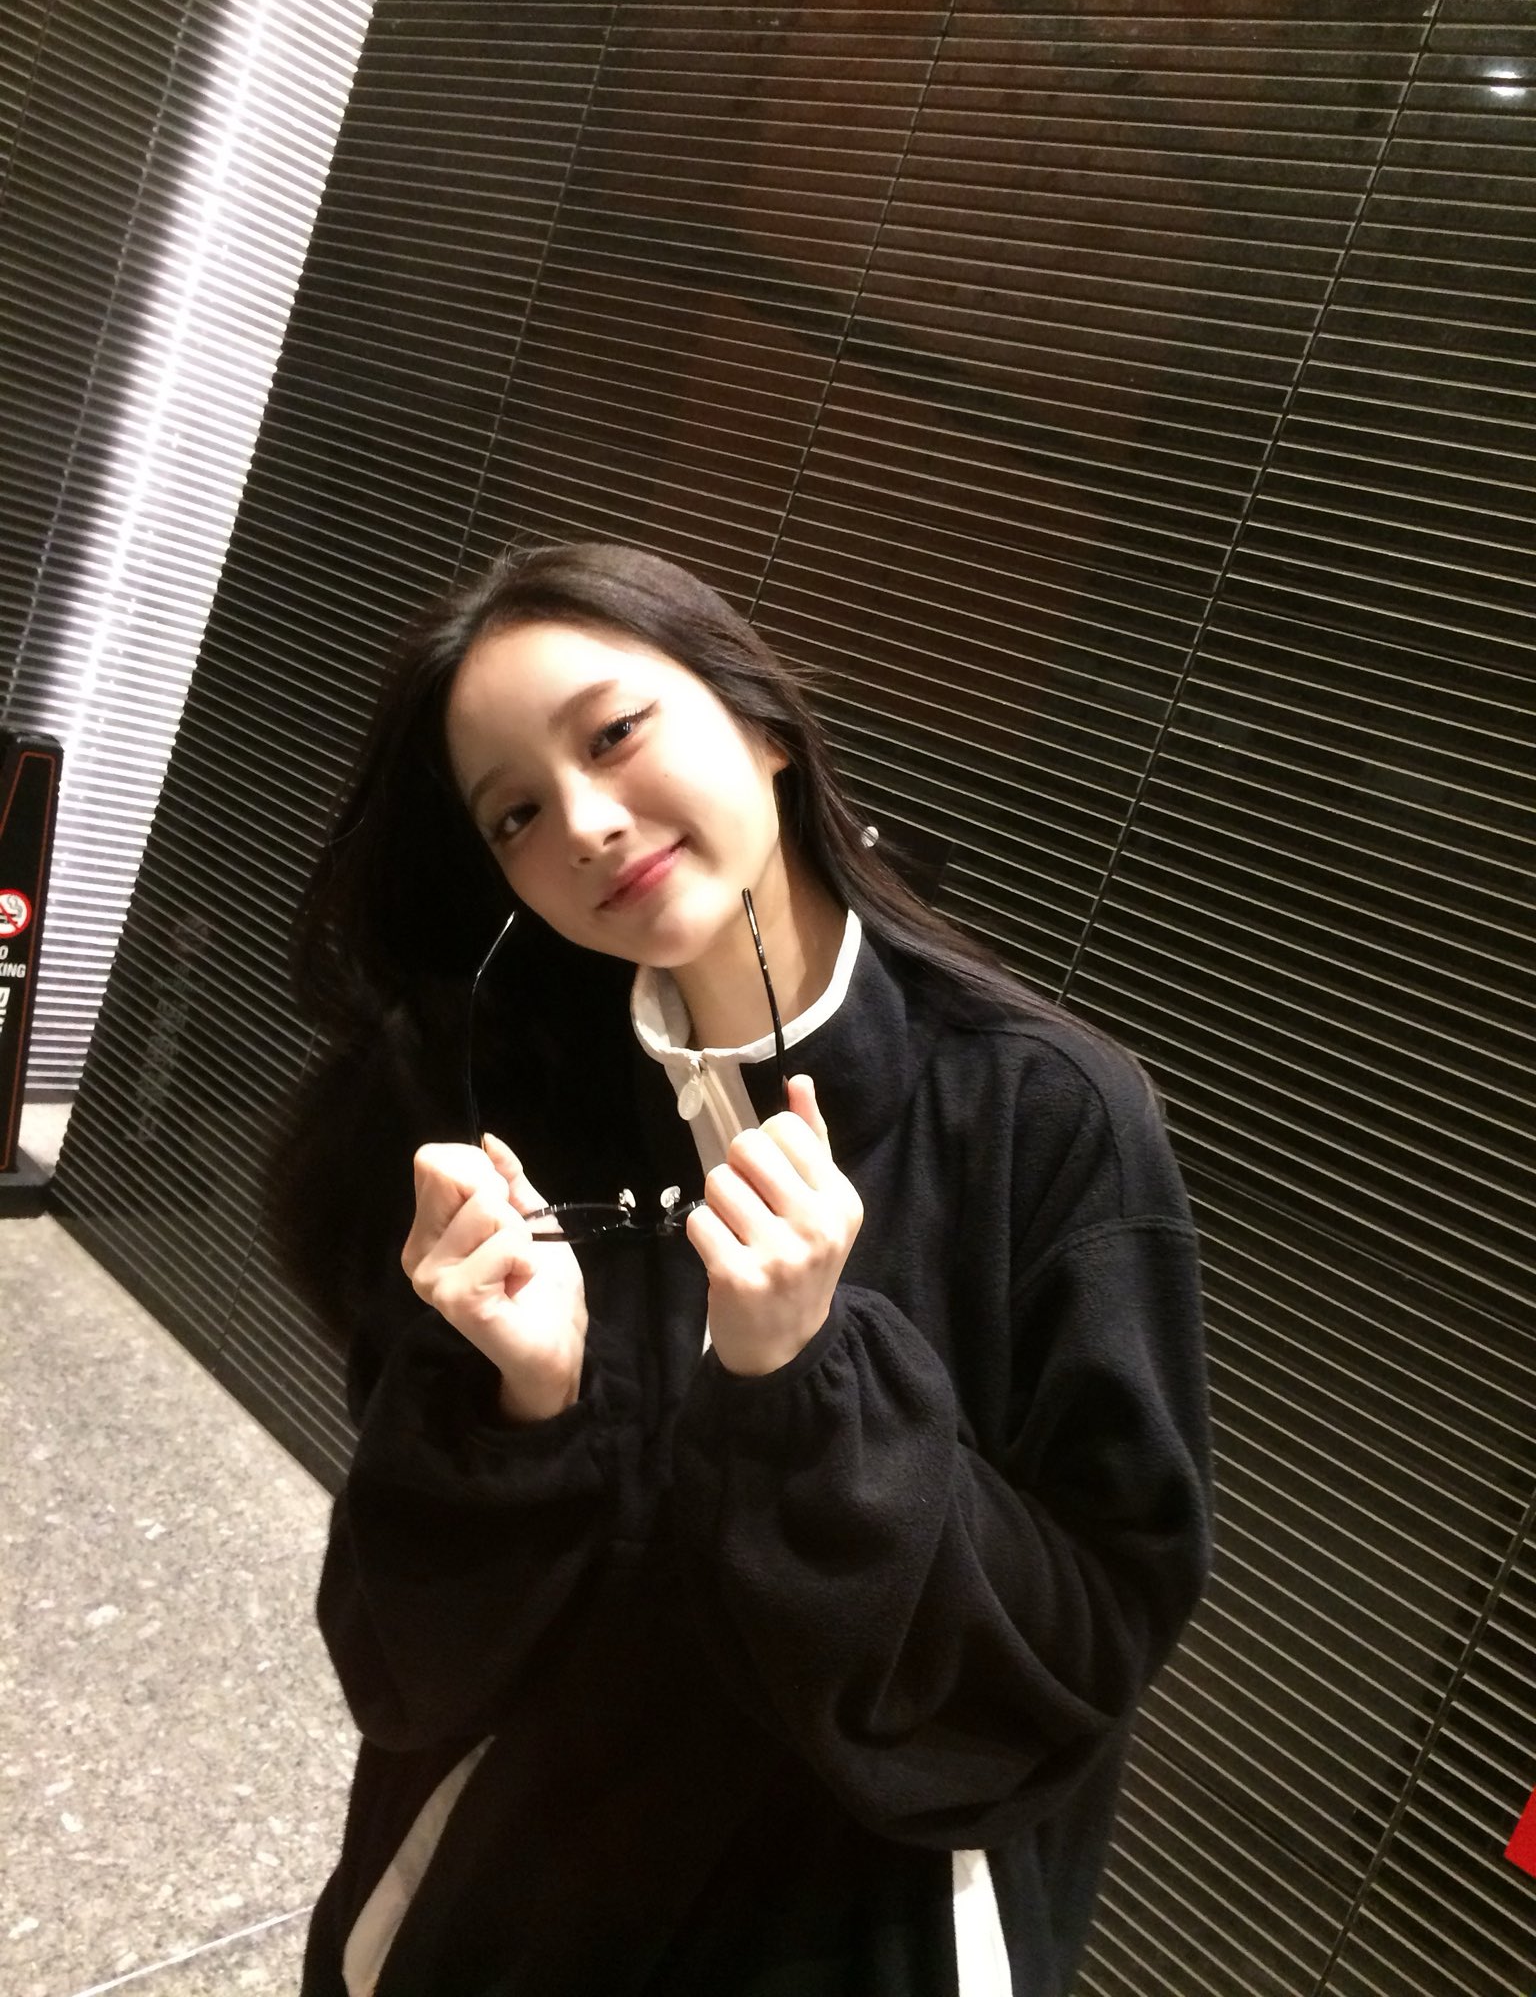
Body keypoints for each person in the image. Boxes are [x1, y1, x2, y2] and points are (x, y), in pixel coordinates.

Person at [273, 541, 1214, 1997]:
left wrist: (813, 1387)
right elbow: (398, 1667)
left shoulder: (1043, 1115)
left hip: (849, 1931)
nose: (586, 822)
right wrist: (519, 1413)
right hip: (496, 1913)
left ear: (763, 723)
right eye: (517, 812)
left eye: (612, 734)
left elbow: (1088, 1642)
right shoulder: (503, 1113)